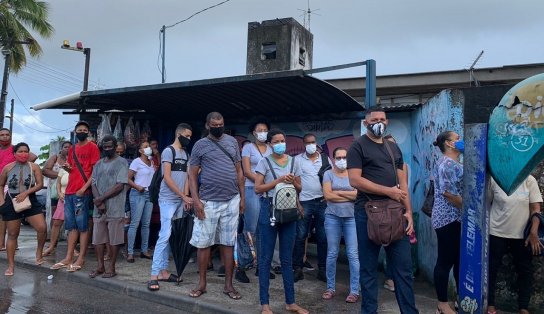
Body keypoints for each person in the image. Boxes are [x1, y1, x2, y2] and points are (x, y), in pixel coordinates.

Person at [347, 107, 418, 314]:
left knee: (403, 271)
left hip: (396, 213)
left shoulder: (393, 148)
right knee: (368, 270)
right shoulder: (357, 146)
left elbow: (402, 182)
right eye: (375, 119)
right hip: (367, 213)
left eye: (383, 119)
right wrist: (388, 191)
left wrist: (408, 212)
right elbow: (355, 180)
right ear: (366, 123)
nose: (379, 122)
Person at [188, 112, 245, 300]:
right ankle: (202, 284)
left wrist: (242, 197)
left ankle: (229, 285)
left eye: (220, 123)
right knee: (203, 244)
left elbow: (239, 170)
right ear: (207, 125)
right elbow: (193, 174)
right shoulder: (199, 145)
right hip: (208, 202)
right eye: (214, 124)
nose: (218, 126)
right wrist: (196, 200)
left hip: (231, 200)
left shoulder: (232, 142)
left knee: (228, 243)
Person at [254, 129, 308, 314]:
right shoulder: (264, 161)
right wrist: (277, 181)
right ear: (270, 144)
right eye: (276, 141)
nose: (280, 143)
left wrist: (293, 182)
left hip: (290, 210)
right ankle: (265, 304)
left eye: (282, 140)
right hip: (269, 208)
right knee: (265, 258)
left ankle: (290, 302)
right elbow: (257, 188)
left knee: (287, 259)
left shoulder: (294, 162)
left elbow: (300, 188)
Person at [487, 175, 542, 314]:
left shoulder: (529, 180)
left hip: (522, 236)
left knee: (525, 271)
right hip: (496, 232)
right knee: (491, 269)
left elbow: (536, 209)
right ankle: (490, 305)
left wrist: (533, 232)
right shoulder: (495, 179)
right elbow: (486, 203)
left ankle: (523, 308)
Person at [147, 123, 193, 291]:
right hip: (167, 200)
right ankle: (153, 274)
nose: (188, 139)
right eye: (187, 135)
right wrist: (182, 195)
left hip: (180, 200)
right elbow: (166, 177)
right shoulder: (168, 151)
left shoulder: (186, 154)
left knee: (173, 236)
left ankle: (164, 272)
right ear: (178, 134)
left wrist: (186, 197)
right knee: (164, 235)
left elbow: (187, 177)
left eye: (190, 136)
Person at [51, 121, 100, 272]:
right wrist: (68, 168)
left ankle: (81, 258)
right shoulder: (72, 149)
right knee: (71, 227)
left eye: (85, 130)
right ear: (75, 131)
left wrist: (84, 188)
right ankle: (68, 256)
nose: (82, 132)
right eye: (80, 130)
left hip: (82, 192)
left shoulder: (93, 147)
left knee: (83, 227)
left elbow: (95, 171)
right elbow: (72, 169)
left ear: (89, 132)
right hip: (70, 191)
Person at [0, 142, 47, 276]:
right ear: (14, 154)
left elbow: (40, 184)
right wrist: (2, 202)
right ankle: (11, 266)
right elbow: (1, 184)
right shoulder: (7, 168)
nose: (23, 154)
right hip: (11, 201)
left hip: (30, 199)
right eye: (20, 151)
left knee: (42, 228)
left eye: (25, 151)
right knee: (13, 234)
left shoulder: (34, 167)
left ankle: (39, 253)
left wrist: (26, 193)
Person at [321, 147, 359, 303]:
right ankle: (330, 288)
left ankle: (355, 290)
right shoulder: (328, 174)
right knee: (332, 253)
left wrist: (338, 193)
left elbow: (359, 195)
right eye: (339, 157)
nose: (342, 160)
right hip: (332, 218)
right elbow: (327, 195)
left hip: (352, 218)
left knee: (353, 254)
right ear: (333, 158)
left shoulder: (354, 174)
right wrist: (349, 195)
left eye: (344, 157)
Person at [431, 131, 463, 314]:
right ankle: (442, 304)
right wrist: (468, 208)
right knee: (445, 261)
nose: (460, 141)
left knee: (458, 261)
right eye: (457, 139)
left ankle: (461, 299)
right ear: (449, 144)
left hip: (454, 218)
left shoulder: (453, 163)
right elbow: (448, 193)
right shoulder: (447, 164)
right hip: (448, 218)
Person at [88, 135, 129, 279]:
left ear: (115, 146)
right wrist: (98, 201)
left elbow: (120, 185)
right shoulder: (98, 164)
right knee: (98, 238)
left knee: (114, 239)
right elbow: (93, 183)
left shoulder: (122, 162)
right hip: (99, 208)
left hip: (115, 207)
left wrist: (101, 198)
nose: (107, 149)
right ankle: (100, 266)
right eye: (104, 147)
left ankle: (111, 267)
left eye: (109, 146)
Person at [239, 119, 273, 283]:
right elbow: (246, 171)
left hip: (266, 191)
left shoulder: (271, 148)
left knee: (264, 228)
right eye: (259, 129)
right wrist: (262, 183)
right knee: (250, 228)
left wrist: (267, 185)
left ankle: (261, 266)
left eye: (265, 129)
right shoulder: (247, 148)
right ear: (253, 133)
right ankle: (242, 266)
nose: (263, 132)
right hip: (252, 189)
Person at [293, 133, 329, 282]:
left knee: (323, 238)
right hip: (304, 202)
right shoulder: (297, 160)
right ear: (304, 144)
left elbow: (331, 178)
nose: (311, 145)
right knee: (300, 236)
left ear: (316, 142)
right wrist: (297, 203)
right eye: (307, 142)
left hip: (322, 202)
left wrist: (329, 196)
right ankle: (298, 269)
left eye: (313, 142)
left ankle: (322, 270)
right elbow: (293, 183)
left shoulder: (325, 159)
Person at [0, 128, 37, 252]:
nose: (4, 137)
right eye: (2, 135)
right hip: (2, 182)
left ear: (10, 136)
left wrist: (21, 170)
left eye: (7, 135)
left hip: (11, 184)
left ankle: (7, 243)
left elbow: (33, 156)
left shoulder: (15, 148)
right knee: (3, 215)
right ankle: (2, 243)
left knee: (8, 215)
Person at [127, 141, 156, 262]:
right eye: (145, 146)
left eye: (149, 146)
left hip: (149, 194)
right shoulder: (136, 162)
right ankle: (130, 252)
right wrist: (137, 187)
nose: (149, 148)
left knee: (146, 224)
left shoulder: (152, 162)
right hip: (138, 193)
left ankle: (144, 250)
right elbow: (127, 178)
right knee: (135, 223)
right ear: (140, 151)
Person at [43, 148, 71, 256]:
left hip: (75, 199)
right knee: (56, 223)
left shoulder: (78, 169)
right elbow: (58, 183)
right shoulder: (63, 169)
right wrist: (59, 193)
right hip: (62, 200)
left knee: (73, 225)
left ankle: (72, 248)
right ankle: (51, 246)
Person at [42, 141, 72, 233]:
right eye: (65, 147)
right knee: (55, 215)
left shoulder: (74, 158)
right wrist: (61, 175)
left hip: (71, 190)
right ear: (61, 149)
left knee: (71, 215)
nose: (67, 149)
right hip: (56, 191)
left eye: (70, 147)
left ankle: (70, 240)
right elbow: (45, 171)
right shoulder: (55, 158)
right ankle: (53, 239)